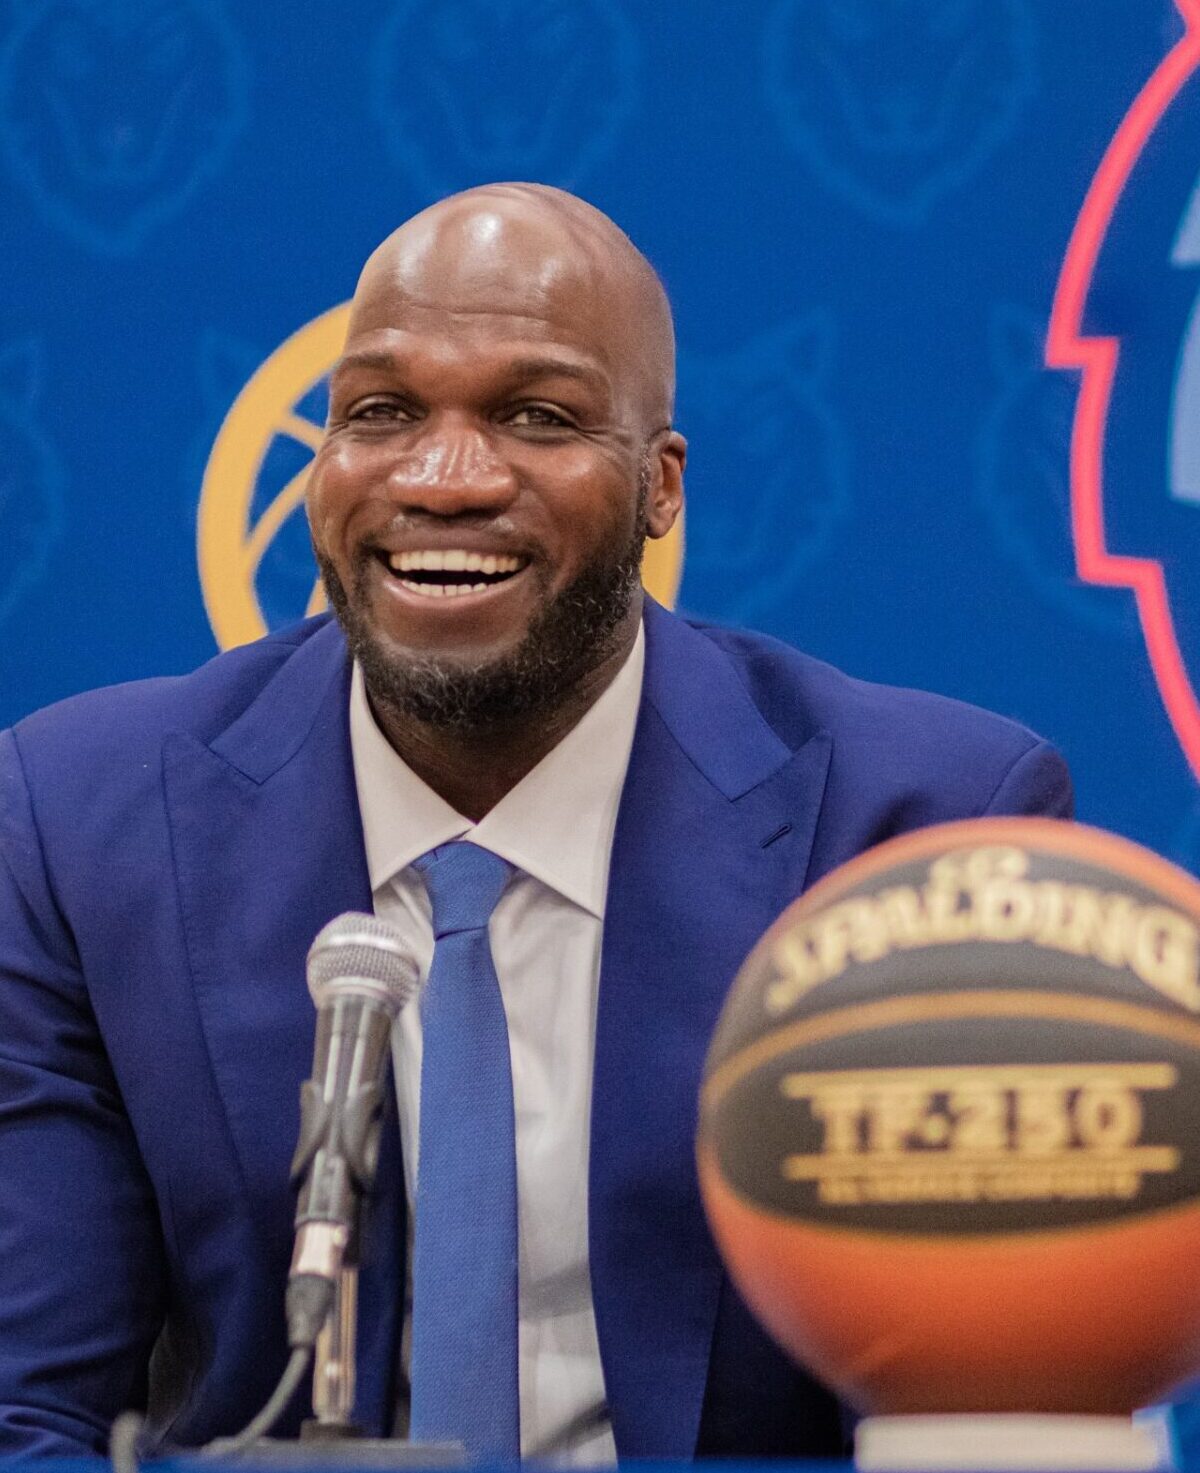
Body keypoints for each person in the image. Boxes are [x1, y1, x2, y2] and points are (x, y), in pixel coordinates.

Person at [0, 184, 1072, 1460]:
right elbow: (29, 1407)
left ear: (659, 487)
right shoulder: (79, 822)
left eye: (537, 417)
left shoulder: (914, 834)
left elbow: (978, 1423)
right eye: (381, 413)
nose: (444, 478)